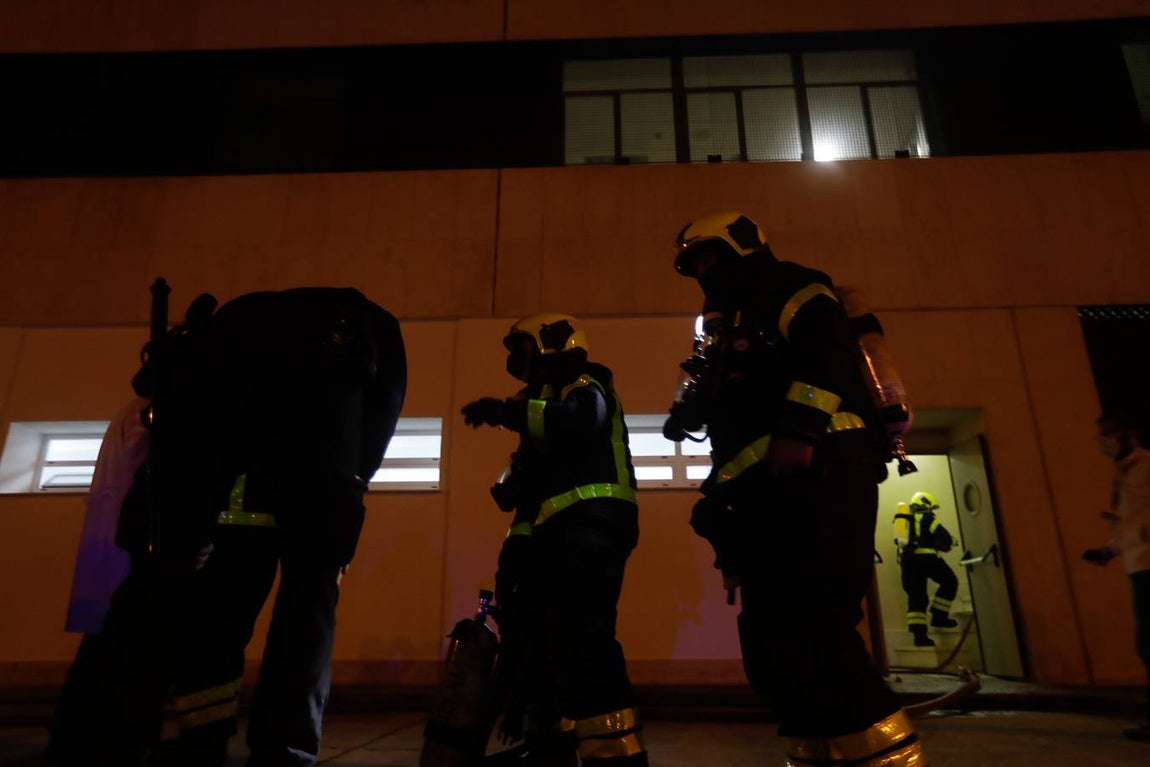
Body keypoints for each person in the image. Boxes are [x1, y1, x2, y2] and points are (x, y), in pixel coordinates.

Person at [48, 286, 407, 767]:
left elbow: (185, 429)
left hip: (237, 502)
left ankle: (176, 738)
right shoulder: (360, 325)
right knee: (307, 611)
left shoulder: (228, 334)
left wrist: (182, 529)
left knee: (204, 612)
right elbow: (381, 412)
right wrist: (351, 486)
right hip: (314, 484)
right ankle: (284, 748)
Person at [664, 212, 928, 766]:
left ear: (743, 246)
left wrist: (800, 432)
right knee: (771, 649)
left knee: (818, 634)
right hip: (764, 495)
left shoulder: (788, 286)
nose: (705, 272)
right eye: (696, 265)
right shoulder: (724, 325)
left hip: (821, 475)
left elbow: (826, 353)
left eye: (711, 257)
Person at [461, 313, 649, 766]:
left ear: (550, 342)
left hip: (592, 524)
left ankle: (617, 756)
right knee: (547, 643)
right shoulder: (541, 401)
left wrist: (505, 412)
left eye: (521, 347)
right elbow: (530, 488)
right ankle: (551, 750)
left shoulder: (586, 379)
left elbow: (582, 420)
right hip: (559, 533)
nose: (515, 359)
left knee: (585, 642)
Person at [1082, 411, 1150, 743]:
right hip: (1139, 565)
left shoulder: (1146, 468)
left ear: (1130, 433)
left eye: (1109, 433)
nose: (1104, 441)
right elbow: (1130, 524)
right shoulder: (1124, 474)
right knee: (1147, 644)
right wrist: (1108, 551)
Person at [893, 491, 959, 648]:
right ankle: (939, 616)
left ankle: (920, 636)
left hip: (908, 561)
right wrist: (947, 543)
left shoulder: (903, 520)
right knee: (950, 582)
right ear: (925, 505)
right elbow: (945, 538)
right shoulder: (927, 518)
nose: (932, 511)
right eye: (932, 508)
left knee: (917, 597)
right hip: (927, 558)